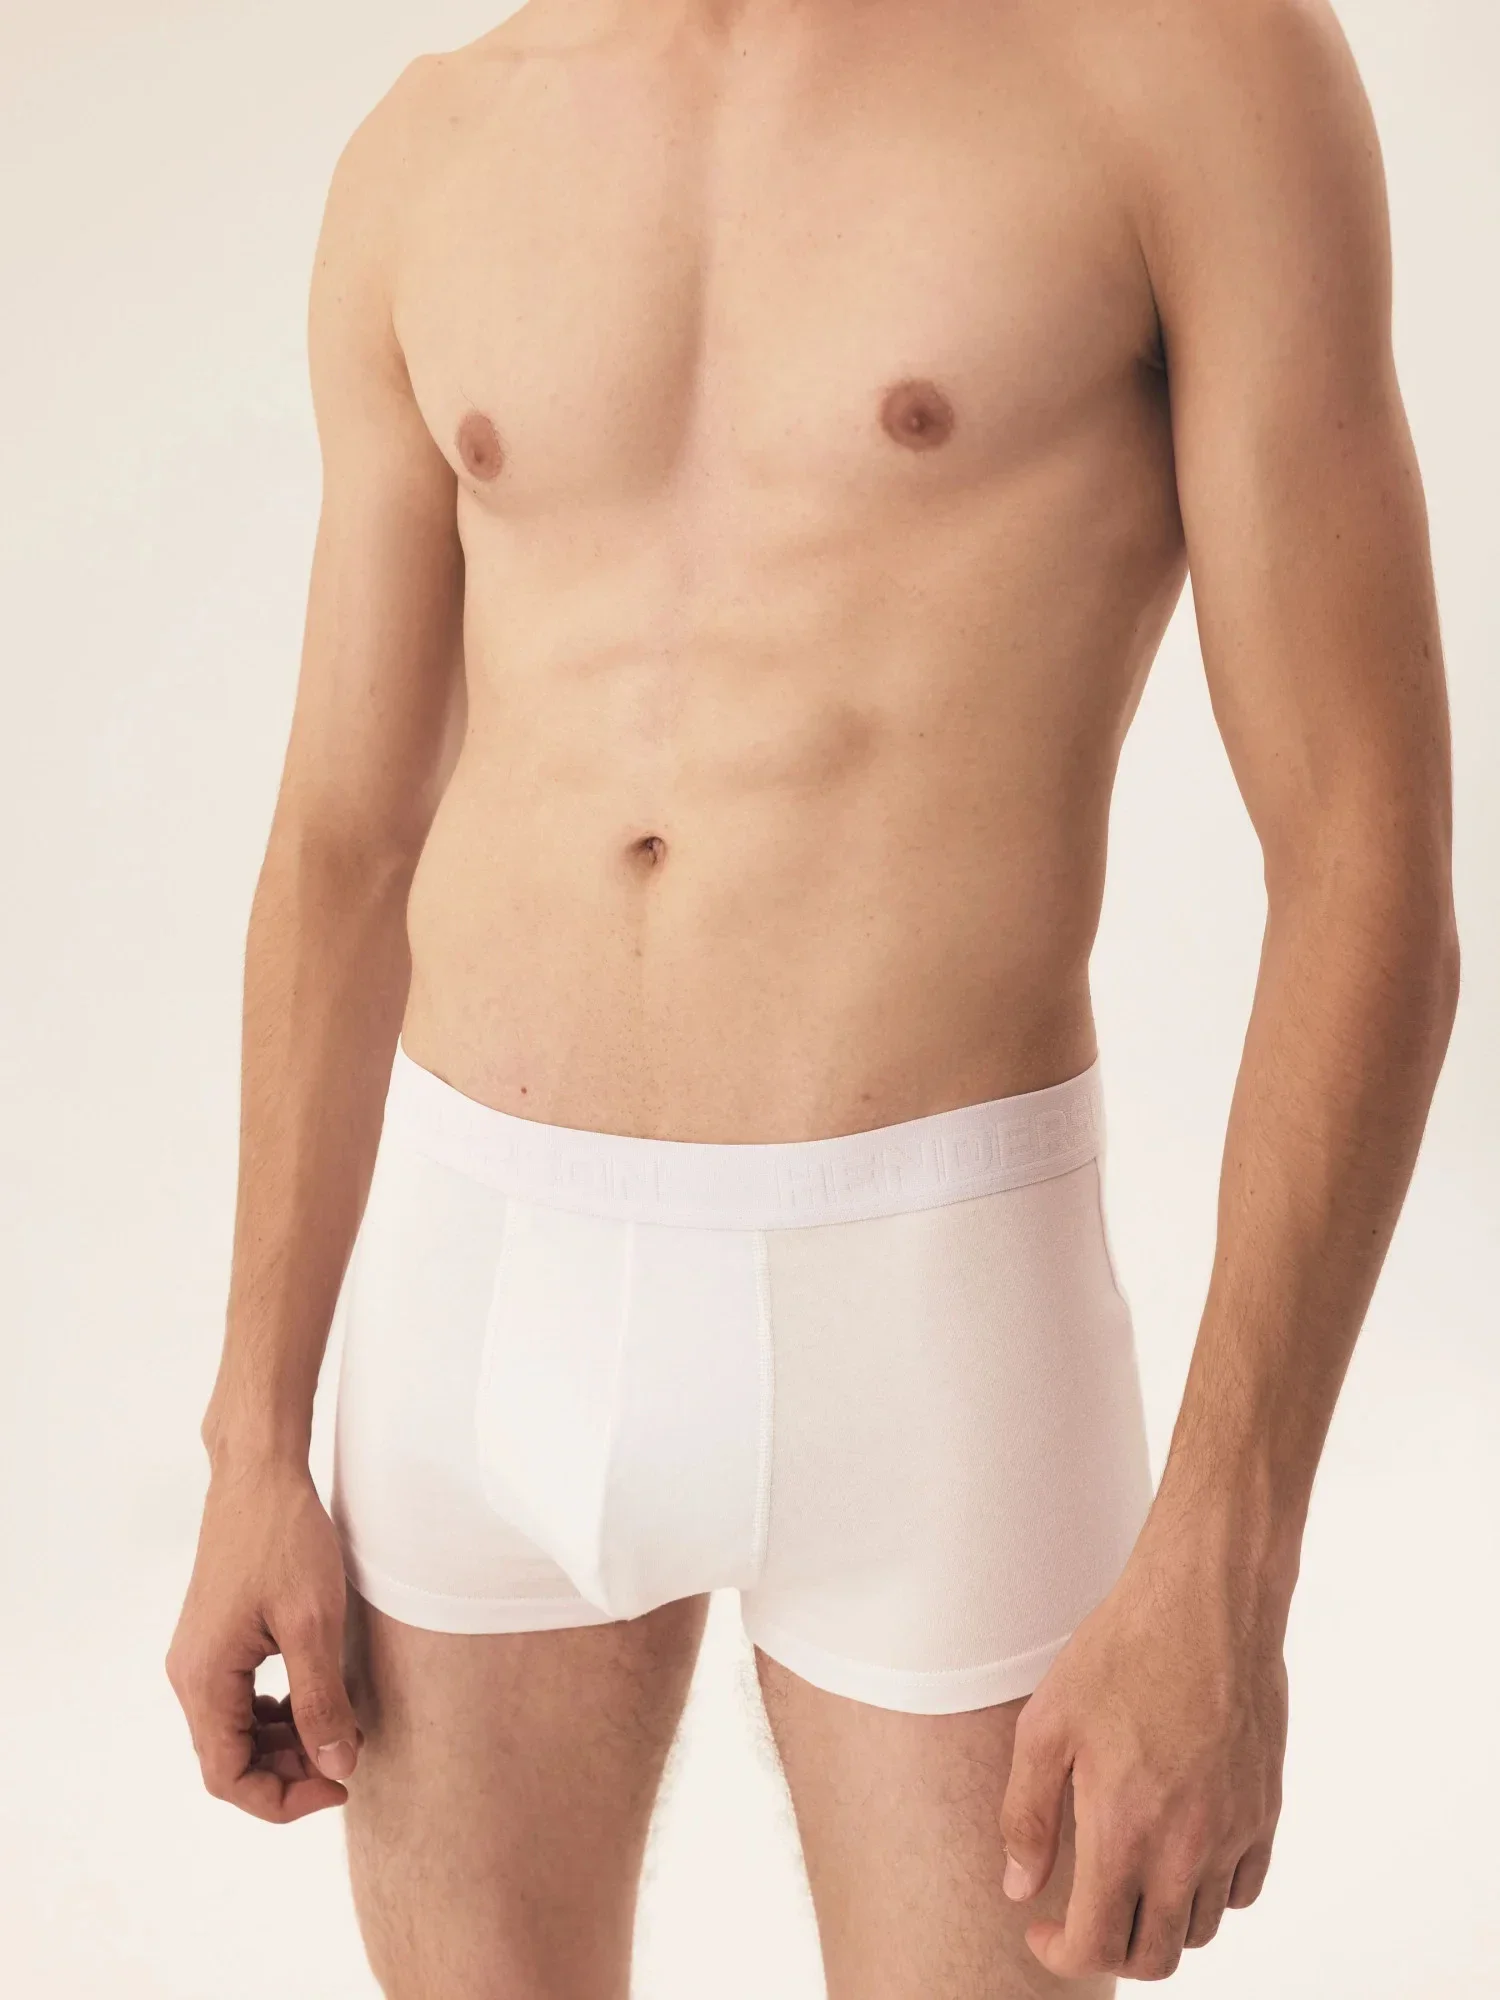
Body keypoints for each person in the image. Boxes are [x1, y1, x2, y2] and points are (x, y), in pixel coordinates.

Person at [166, 0, 1458, 1993]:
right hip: (479, 1295)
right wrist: (253, 1431)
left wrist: (1231, 1550)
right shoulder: (433, 151)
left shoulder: (1186, 70)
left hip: (930, 1303)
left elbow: (1367, 863)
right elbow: (343, 842)